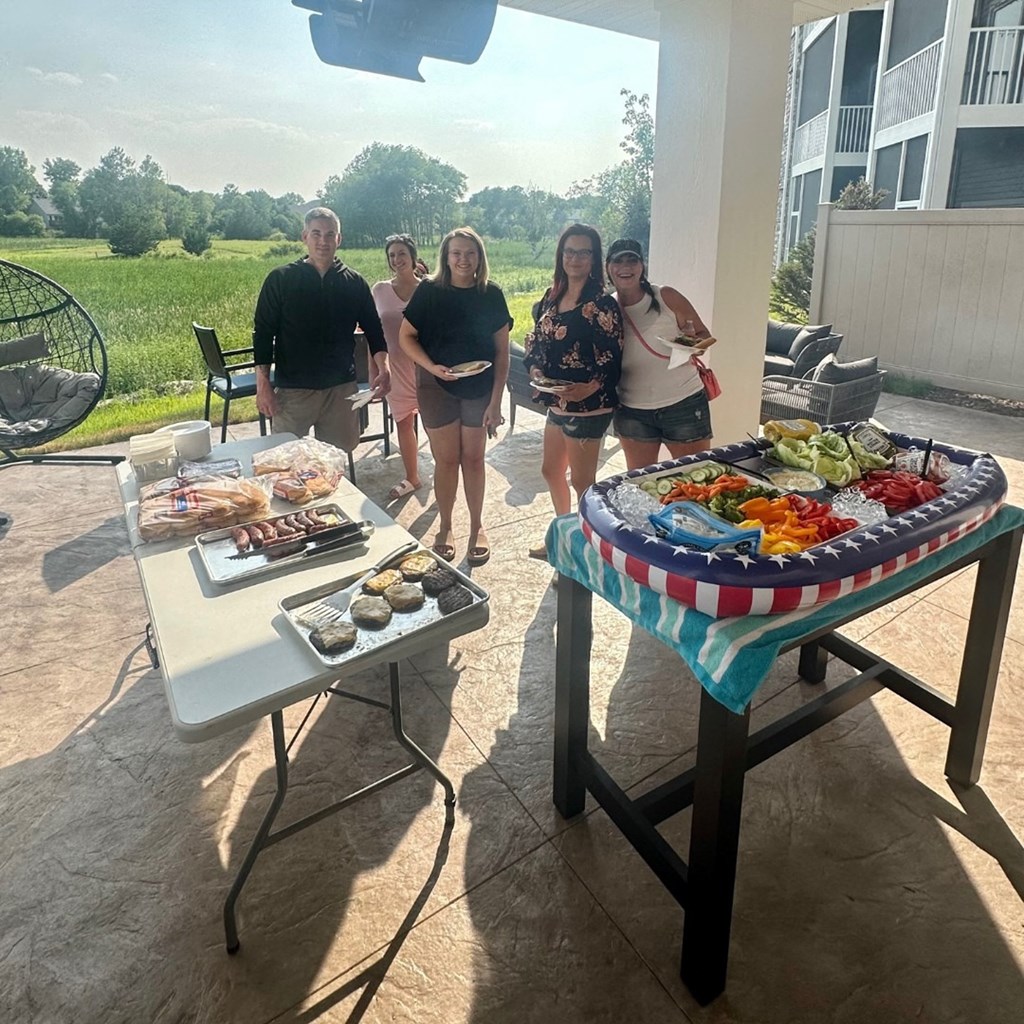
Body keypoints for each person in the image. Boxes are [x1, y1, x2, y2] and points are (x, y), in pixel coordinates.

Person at [399, 227, 510, 566]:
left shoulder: (491, 294)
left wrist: (496, 402)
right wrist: (431, 367)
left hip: (479, 387)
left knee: (474, 460)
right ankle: (446, 527)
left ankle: (477, 527)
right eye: (456, 253)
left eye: (470, 253)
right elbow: (407, 337)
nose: (463, 259)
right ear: (446, 257)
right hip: (436, 387)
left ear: (480, 257)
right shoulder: (430, 292)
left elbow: (502, 353)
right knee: (446, 460)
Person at [253, 207, 389, 454]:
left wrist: (384, 367)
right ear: (304, 236)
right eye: (316, 233)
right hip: (294, 390)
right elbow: (263, 333)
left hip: (341, 390)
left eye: (330, 234)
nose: (323, 241)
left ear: (339, 239)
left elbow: (373, 330)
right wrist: (263, 385)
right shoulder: (281, 279)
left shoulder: (354, 282)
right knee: (287, 461)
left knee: (338, 458)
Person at [523, 224, 623, 560]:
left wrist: (590, 387)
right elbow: (536, 340)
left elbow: (614, 354)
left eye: (583, 252)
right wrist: (535, 369)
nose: (575, 258)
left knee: (583, 482)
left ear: (594, 258)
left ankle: (582, 550)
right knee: (551, 470)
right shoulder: (552, 297)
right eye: (569, 251)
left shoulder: (602, 304)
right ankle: (564, 533)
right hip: (558, 399)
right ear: (560, 256)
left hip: (589, 404)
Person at [605, 238, 716, 471]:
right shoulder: (606, 308)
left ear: (642, 266)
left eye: (632, 260)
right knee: (643, 484)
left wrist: (689, 342)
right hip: (632, 410)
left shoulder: (665, 296)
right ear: (608, 268)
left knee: (695, 477)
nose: (626, 267)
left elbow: (703, 335)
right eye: (618, 261)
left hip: (683, 403)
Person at [372, 234, 424, 500]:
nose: (396, 259)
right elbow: (372, 333)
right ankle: (412, 477)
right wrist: (377, 371)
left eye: (401, 253)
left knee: (436, 426)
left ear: (413, 256)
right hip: (395, 368)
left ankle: (446, 473)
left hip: (427, 369)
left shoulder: (429, 288)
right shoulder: (379, 290)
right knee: (403, 423)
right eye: (392, 255)